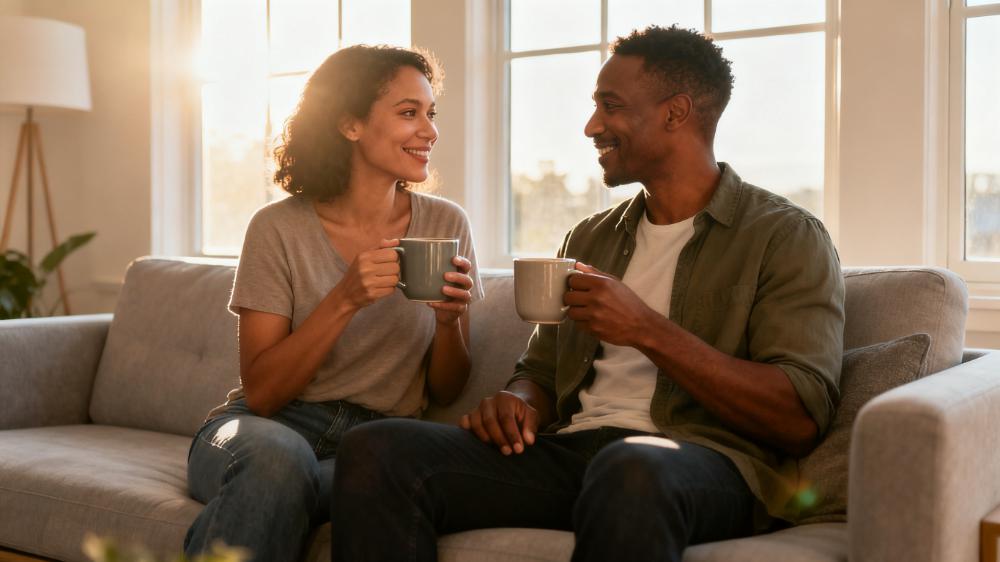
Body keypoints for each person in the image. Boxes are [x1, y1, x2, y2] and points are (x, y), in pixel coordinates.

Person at [330, 25, 845, 562]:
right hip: (574, 455)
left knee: (630, 467)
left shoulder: (783, 237)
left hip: (703, 463)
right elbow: (542, 372)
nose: (591, 126)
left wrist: (646, 329)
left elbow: (799, 418)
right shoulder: (591, 236)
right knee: (378, 448)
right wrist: (518, 403)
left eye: (611, 106)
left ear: (676, 112)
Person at [182, 45, 482, 562]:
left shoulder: (445, 224)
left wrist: (449, 323)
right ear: (350, 124)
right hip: (266, 430)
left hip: (377, 443)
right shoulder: (278, 228)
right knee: (278, 467)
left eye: (430, 114)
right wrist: (345, 298)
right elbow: (264, 393)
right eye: (409, 113)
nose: (430, 131)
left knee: (327, 486)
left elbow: (448, 388)